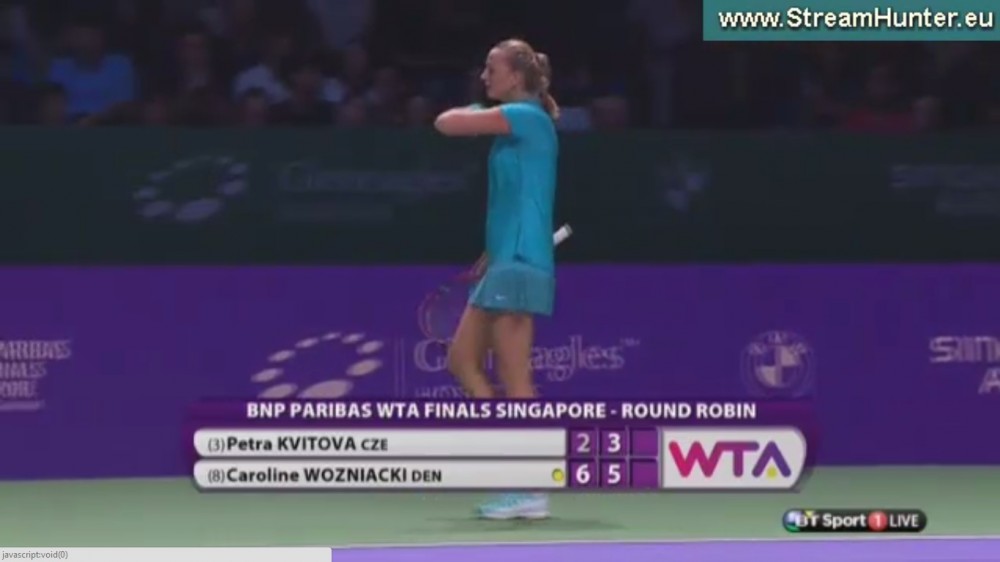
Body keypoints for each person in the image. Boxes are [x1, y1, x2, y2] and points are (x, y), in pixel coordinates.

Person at [434, 38, 560, 520]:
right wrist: (490, 251)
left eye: (492, 68)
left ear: (516, 77)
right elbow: (516, 196)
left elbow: (446, 123)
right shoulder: (517, 124)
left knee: (515, 378)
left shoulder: (526, 117)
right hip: (504, 259)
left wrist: (475, 110)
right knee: (462, 360)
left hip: (522, 261)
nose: (484, 76)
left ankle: (530, 486)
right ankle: (511, 467)